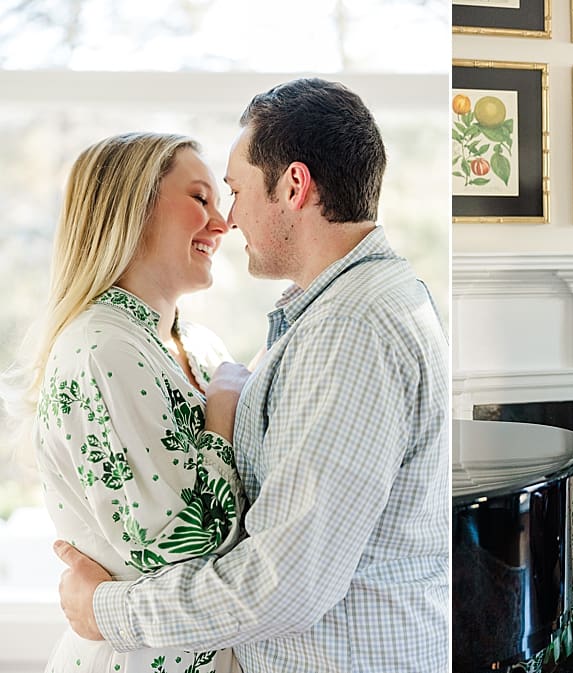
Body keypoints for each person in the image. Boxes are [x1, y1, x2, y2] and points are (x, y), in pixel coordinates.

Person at [54, 78, 449, 673]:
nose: (229, 219)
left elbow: (282, 583)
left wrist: (104, 611)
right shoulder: (340, 314)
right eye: (209, 197)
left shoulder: (351, 327)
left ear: (294, 185)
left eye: (233, 191)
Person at [13, 132, 249, 672]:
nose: (224, 222)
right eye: (200, 198)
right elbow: (177, 547)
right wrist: (221, 423)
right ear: (132, 208)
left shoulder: (202, 346)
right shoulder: (102, 350)